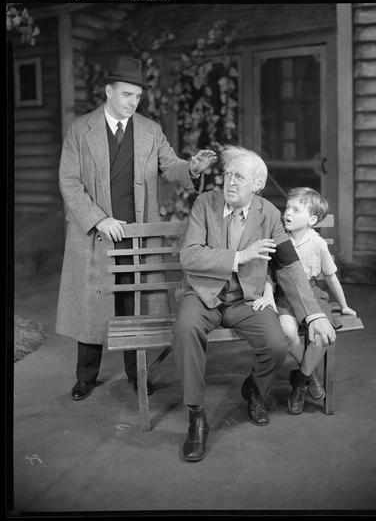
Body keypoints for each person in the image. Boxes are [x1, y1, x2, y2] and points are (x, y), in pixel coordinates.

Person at [56, 55, 216, 401]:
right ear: (108, 91)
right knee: (92, 301)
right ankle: (86, 377)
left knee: (134, 302)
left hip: (136, 233)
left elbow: (170, 166)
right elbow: (69, 181)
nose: (133, 102)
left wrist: (192, 168)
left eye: (138, 96)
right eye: (127, 94)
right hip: (96, 232)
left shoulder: (150, 130)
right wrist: (99, 219)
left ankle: (136, 373)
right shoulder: (80, 130)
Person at [172, 146, 336, 462]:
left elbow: (288, 265)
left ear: (257, 185)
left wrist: (314, 314)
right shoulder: (205, 203)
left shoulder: (269, 214)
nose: (230, 182)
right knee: (185, 329)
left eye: (239, 177)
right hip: (202, 294)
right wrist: (239, 256)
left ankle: (254, 389)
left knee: (276, 343)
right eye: (227, 175)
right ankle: (196, 414)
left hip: (245, 299)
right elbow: (189, 255)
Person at [253, 187, 356, 415]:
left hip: (311, 293)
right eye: (287, 207)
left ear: (312, 219)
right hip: (284, 295)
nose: (288, 212)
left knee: (322, 336)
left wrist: (344, 304)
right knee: (287, 333)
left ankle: (300, 380)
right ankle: (311, 376)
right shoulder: (278, 239)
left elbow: (330, 276)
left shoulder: (318, 243)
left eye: (296, 209)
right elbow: (268, 273)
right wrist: (268, 295)